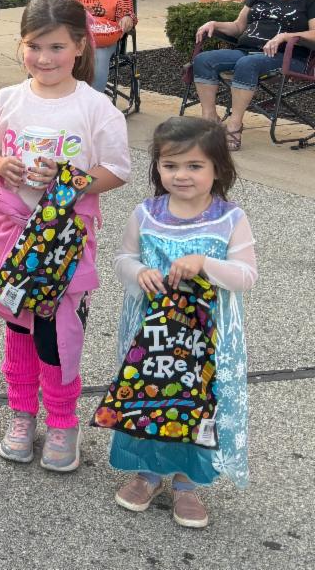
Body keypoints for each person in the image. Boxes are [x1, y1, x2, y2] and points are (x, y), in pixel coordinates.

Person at [0, 0, 131, 473]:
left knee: (56, 334)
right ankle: (22, 414)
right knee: (17, 328)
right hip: (12, 237)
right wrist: (1, 166)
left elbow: (117, 169)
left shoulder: (96, 108)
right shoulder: (6, 101)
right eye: (34, 46)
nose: (44, 58)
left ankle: (63, 421)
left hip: (65, 244)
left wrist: (72, 179)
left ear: (80, 46)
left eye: (57, 47)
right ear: (21, 45)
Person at [109, 116, 257, 528]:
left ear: (218, 169)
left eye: (195, 165)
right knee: (150, 395)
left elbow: (246, 275)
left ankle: (188, 482)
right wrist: (138, 271)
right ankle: (148, 472)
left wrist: (206, 263)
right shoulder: (146, 213)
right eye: (170, 165)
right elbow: (123, 259)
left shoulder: (230, 218)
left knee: (197, 402)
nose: (181, 175)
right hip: (152, 333)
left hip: (205, 339)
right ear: (157, 167)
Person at [192, 0, 315, 150]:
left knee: (248, 64)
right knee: (204, 60)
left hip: (288, 57)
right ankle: (210, 119)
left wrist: (285, 36)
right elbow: (238, 26)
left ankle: (234, 125)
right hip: (246, 51)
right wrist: (214, 23)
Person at [58, 0, 136, 93]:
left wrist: (127, 18)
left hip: (102, 40)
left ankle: (93, 101)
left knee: (97, 57)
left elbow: (127, 12)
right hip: (72, 36)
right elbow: (53, 5)